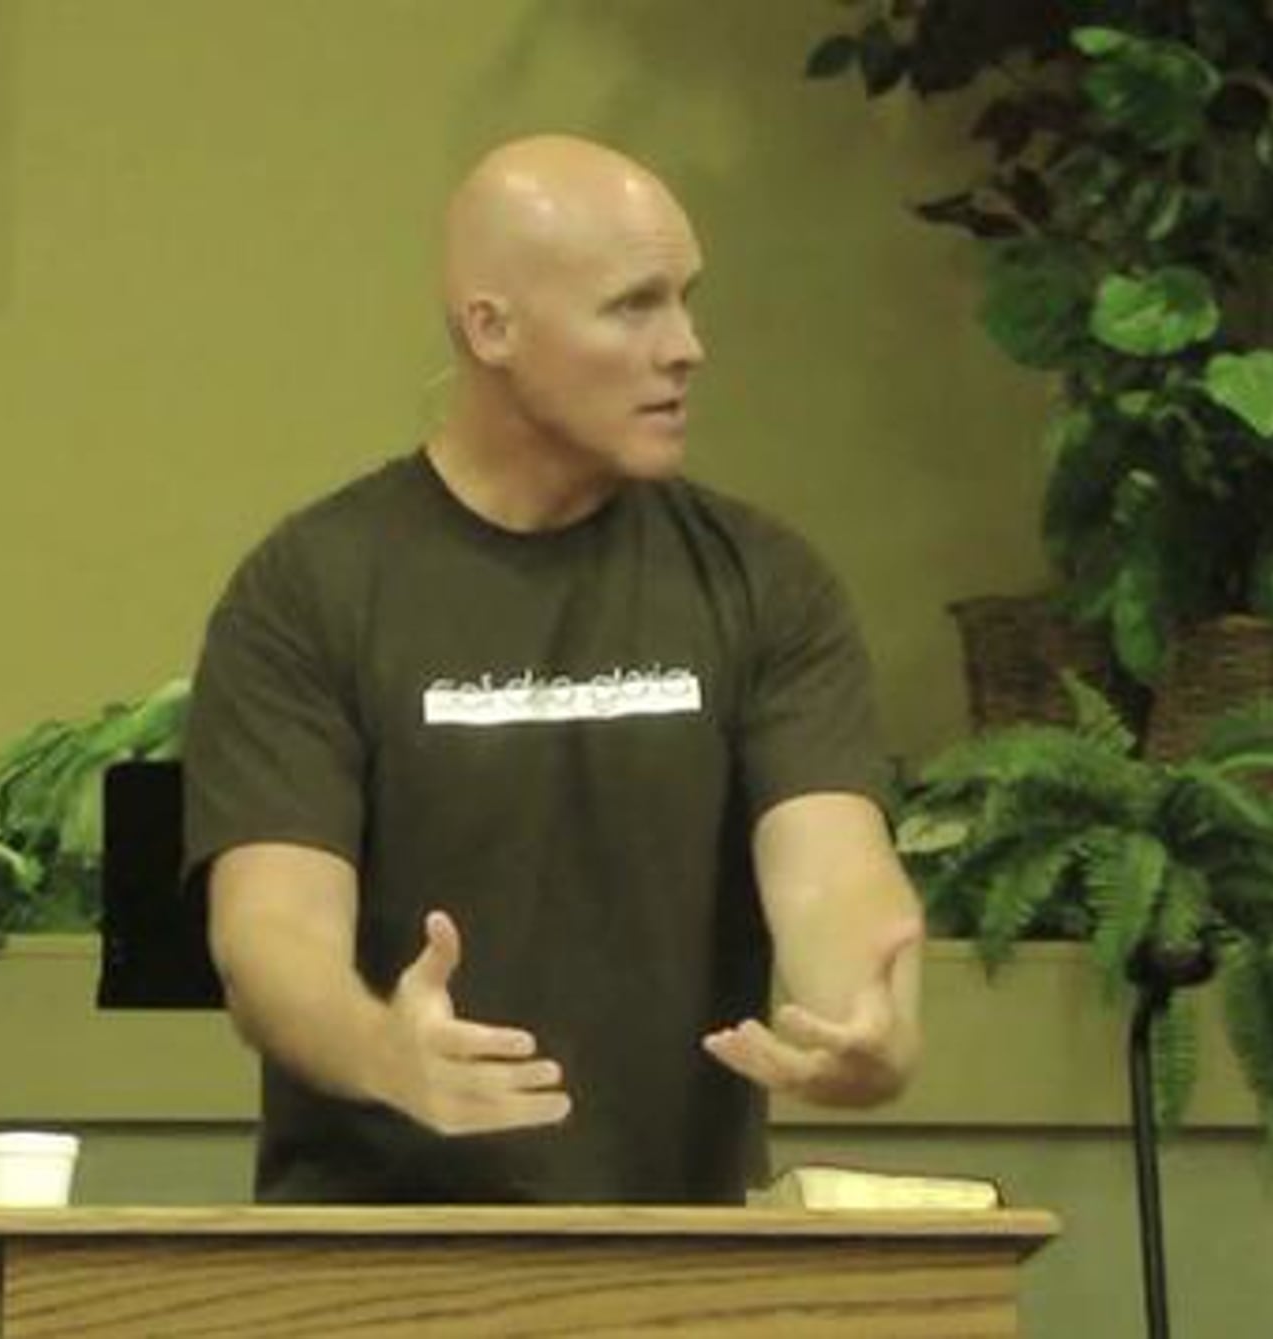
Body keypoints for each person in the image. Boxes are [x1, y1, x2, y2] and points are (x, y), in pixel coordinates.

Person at [181, 134, 924, 1204]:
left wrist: (864, 1016)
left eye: (686, 300)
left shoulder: (764, 581)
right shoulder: (312, 588)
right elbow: (270, 935)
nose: (687, 347)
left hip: (679, 1253)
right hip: (374, 1256)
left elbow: (830, 870)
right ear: (491, 327)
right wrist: (383, 1049)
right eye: (634, 306)